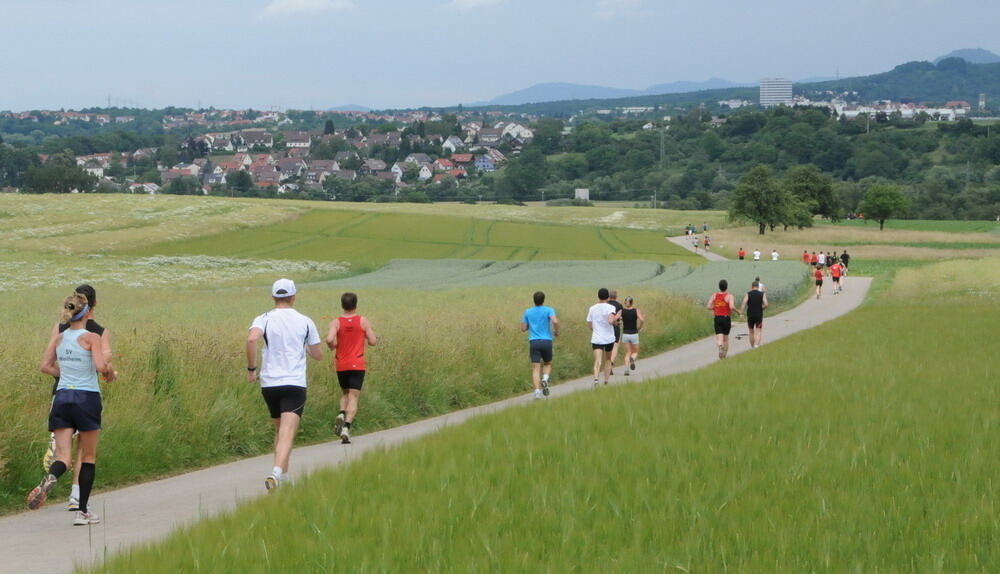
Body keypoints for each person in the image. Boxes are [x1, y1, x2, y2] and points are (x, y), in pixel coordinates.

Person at [29, 292, 115, 526]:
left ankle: (50, 478)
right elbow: (99, 366)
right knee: (88, 457)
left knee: (63, 457)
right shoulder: (91, 337)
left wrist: (66, 373)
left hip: (62, 397)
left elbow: (45, 366)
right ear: (87, 312)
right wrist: (109, 371)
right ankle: (83, 511)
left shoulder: (59, 338)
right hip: (86, 398)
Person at [246, 278, 323, 491]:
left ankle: (284, 477)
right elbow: (318, 354)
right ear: (294, 296)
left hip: (269, 383)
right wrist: (306, 348)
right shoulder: (305, 321)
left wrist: (251, 369)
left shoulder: (263, 318)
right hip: (294, 382)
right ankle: (276, 472)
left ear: (273, 297)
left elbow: (252, 340)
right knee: (288, 431)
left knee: (280, 432)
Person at [327, 292, 378, 443]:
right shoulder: (363, 321)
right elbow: (373, 342)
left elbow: (329, 339)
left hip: (341, 364)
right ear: (356, 304)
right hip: (357, 363)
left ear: (342, 305)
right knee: (353, 396)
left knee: (345, 394)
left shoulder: (336, 322)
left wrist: (333, 346)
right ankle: (346, 428)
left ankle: (342, 413)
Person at [520, 291, 560, 398]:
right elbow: (555, 321)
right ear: (543, 299)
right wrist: (556, 331)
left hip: (534, 341)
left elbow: (523, 328)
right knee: (547, 363)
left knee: (535, 368)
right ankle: (545, 379)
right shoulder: (549, 310)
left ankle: (537, 392)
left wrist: (529, 326)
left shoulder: (527, 312)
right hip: (546, 340)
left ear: (534, 300)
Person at [586, 288, 619, 386]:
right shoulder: (610, 308)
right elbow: (610, 320)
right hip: (609, 338)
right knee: (608, 359)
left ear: (598, 296)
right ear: (608, 297)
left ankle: (596, 380)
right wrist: (615, 320)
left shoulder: (592, 308)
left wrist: (595, 329)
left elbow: (589, 324)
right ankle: (606, 381)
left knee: (597, 361)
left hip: (597, 338)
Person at [706, 280, 740, 359]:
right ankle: (724, 356)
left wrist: (714, 308)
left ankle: (720, 347)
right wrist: (738, 312)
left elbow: (708, 306)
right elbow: (731, 307)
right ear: (726, 287)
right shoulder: (729, 296)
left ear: (719, 287)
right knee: (726, 339)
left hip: (717, 318)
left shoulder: (714, 295)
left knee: (719, 338)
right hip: (726, 318)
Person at [739, 281, 769, 349]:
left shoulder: (748, 294)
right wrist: (762, 308)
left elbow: (744, 302)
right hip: (758, 314)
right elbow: (766, 304)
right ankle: (756, 345)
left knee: (751, 331)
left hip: (750, 315)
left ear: (751, 287)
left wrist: (741, 312)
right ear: (758, 287)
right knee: (758, 330)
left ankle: (752, 347)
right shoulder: (762, 294)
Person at [619, 297, 644, 374]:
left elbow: (615, 318)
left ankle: (626, 370)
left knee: (628, 352)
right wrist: (639, 327)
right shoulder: (636, 310)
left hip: (625, 334)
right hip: (634, 334)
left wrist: (619, 321)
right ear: (632, 302)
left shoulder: (621, 311)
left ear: (625, 303)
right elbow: (642, 320)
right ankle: (632, 359)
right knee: (635, 352)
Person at [607, 290, 624, 373]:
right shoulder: (619, 305)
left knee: (606, 347)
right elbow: (621, 318)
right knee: (615, 345)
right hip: (616, 327)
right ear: (616, 297)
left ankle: (607, 364)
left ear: (608, 296)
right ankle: (611, 363)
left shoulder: (605, 305)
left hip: (606, 327)